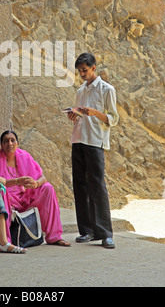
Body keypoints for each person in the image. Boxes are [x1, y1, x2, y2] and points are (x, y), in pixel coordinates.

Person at [68, 52, 119, 248]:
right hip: (78, 138)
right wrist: (74, 115)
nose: (82, 74)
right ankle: (86, 231)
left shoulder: (107, 89)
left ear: (93, 68)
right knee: (80, 185)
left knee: (97, 186)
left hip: (95, 141)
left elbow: (113, 118)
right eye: (79, 71)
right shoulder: (81, 90)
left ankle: (105, 233)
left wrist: (95, 113)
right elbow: (80, 114)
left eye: (85, 70)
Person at [0, 130, 71, 247]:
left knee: (47, 188)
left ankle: (54, 237)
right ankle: (4, 240)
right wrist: (17, 181)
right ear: (1, 145)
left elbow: (43, 177)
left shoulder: (24, 156)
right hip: (8, 199)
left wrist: (36, 184)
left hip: (25, 198)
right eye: (6, 141)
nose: (10, 143)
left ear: (17, 143)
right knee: (1, 191)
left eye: (13, 140)